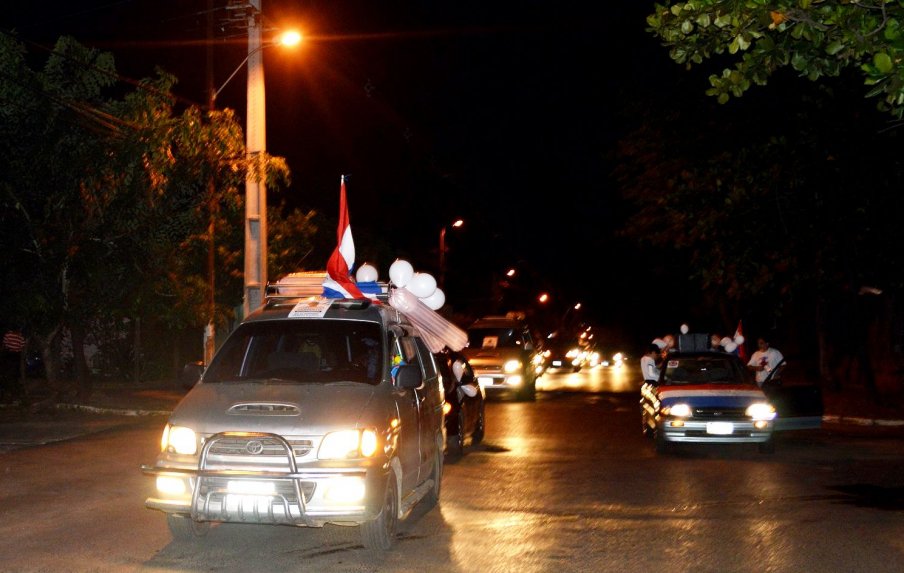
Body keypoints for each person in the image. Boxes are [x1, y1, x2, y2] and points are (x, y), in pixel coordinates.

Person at [1, 329, 26, 403]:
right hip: (16, 355)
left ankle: (9, 392)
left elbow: (4, 344)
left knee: (8, 373)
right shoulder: (20, 337)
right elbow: (22, 347)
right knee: (13, 373)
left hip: (9, 354)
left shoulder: (8, 335)